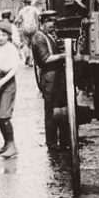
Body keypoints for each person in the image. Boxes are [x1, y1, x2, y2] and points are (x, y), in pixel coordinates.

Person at [31, 11, 69, 150]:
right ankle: (52, 143)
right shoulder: (38, 38)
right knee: (51, 110)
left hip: (57, 75)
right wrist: (65, 55)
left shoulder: (48, 36)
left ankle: (65, 140)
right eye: (50, 22)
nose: (53, 25)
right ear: (43, 22)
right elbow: (45, 59)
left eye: (54, 22)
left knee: (62, 108)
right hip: (49, 77)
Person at [0, 19, 21, 158]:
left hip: (7, 83)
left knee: (4, 115)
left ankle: (12, 145)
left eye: (3, 35)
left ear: (9, 36)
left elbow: (13, 70)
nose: (0, 38)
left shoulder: (11, 49)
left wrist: (0, 81)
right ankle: (6, 143)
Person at [14, 0, 40, 66]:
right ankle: (31, 61)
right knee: (32, 45)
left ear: (24, 3)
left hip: (25, 28)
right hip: (34, 28)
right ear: (30, 3)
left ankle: (27, 55)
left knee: (25, 44)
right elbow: (40, 16)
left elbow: (16, 20)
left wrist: (16, 26)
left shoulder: (22, 11)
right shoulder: (34, 9)